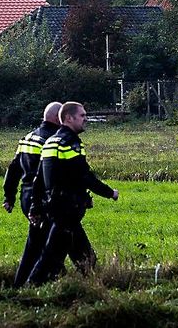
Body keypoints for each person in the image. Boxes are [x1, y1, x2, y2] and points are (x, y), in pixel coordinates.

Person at [26, 101, 119, 285]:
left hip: (57, 208)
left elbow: (39, 179)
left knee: (85, 257)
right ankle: (31, 290)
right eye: (82, 116)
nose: (86, 119)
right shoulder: (70, 142)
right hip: (67, 210)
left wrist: (36, 206)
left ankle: (91, 288)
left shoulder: (51, 141)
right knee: (51, 258)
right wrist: (110, 193)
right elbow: (84, 176)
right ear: (69, 118)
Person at [2, 101, 62, 287]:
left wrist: (9, 196)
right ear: (56, 118)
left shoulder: (27, 138)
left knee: (37, 244)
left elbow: (13, 169)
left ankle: (23, 284)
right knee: (42, 246)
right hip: (42, 198)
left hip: (25, 196)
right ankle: (32, 284)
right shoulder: (51, 140)